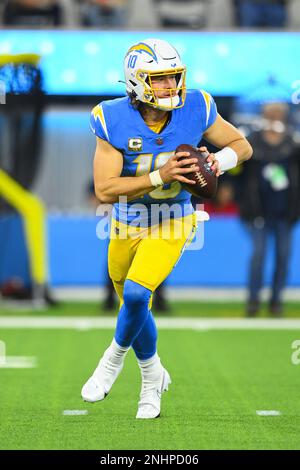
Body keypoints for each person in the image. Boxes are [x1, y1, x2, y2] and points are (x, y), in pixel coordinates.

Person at [81, 38, 252, 419]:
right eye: (159, 80)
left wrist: (217, 161)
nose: (169, 86)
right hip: (127, 221)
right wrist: (159, 175)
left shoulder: (197, 106)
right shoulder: (110, 117)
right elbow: (105, 189)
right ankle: (152, 374)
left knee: (139, 296)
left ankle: (112, 361)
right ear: (137, 82)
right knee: (132, 304)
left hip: (174, 218)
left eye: (173, 77)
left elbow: (242, 146)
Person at [238, 102, 300, 317]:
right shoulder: (251, 142)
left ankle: (276, 301)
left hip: (286, 211)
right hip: (258, 211)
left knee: (283, 258)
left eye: (278, 114)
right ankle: (253, 301)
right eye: (270, 113)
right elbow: (239, 175)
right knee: (258, 257)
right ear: (262, 115)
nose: (274, 117)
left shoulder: (293, 143)